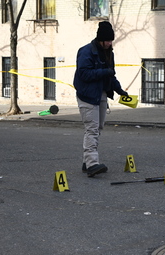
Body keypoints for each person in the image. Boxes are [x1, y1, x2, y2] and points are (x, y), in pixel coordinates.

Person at [73, 21, 128, 177]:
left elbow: (111, 75)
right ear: (100, 39)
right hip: (87, 95)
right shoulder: (86, 52)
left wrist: (120, 91)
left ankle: (87, 161)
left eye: (111, 40)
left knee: (98, 128)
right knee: (92, 129)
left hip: (101, 94)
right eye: (107, 40)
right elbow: (84, 74)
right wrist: (104, 72)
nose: (110, 43)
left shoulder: (109, 53)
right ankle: (92, 164)